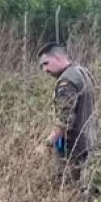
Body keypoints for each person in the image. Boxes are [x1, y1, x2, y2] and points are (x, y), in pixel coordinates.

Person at [38, 42, 96, 186]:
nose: (45, 70)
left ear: (57, 57)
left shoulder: (67, 81)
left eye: (46, 63)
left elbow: (64, 120)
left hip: (71, 147)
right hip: (88, 141)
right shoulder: (82, 72)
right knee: (82, 186)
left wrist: (47, 143)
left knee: (66, 186)